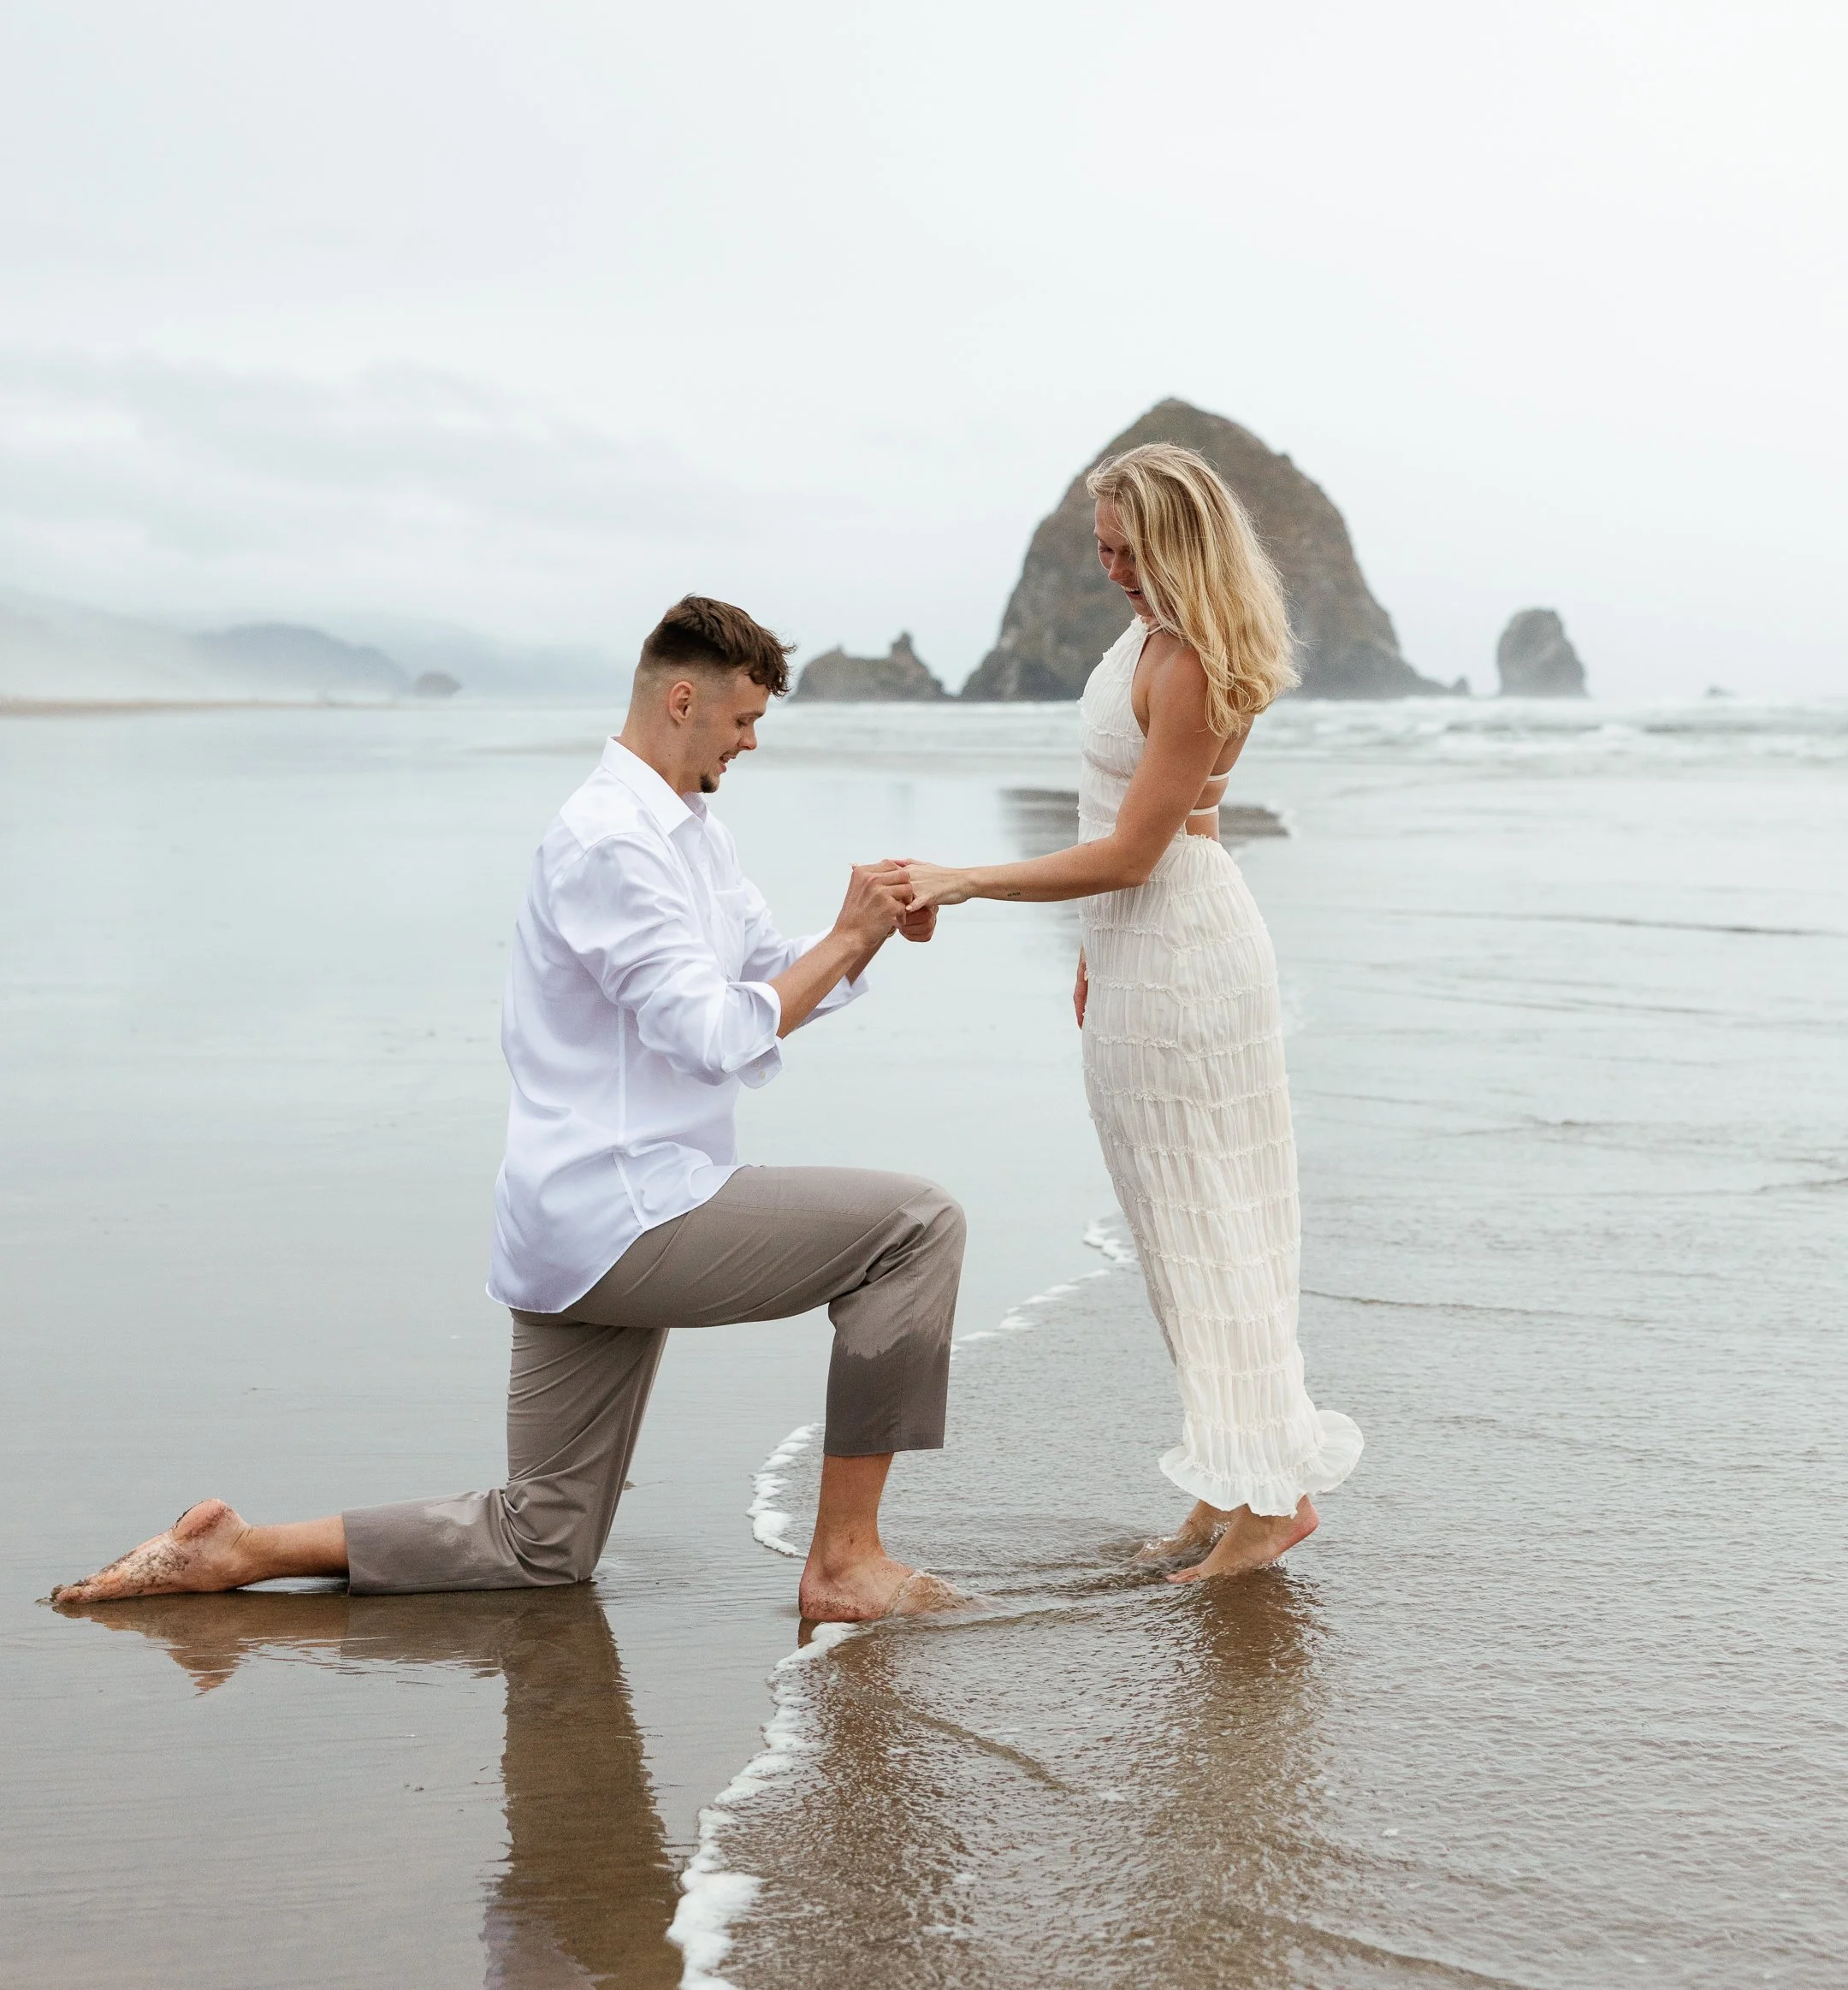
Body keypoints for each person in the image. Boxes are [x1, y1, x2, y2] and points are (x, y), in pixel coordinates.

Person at [54, 595, 967, 1625]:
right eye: (744, 721)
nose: (752, 742)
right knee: (916, 1226)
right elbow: (713, 1033)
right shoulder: (610, 843)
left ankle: (235, 1550)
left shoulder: (690, 835)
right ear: (681, 701)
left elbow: (766, 969)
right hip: (634, 1214)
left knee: (545, 1543)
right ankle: (847, 1562)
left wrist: (870, 931)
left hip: (579, 1224)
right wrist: (845, 941)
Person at [899, 444, 1361, 1580]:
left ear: (1179, 545)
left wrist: (964, 880)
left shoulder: (1195, 662)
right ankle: (1231, 1477)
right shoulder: (1148, 631)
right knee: (1177, 1238)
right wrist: (1091, 952)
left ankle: (1275, 1502)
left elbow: (1133, 849)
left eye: (1127, 548)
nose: (1109, 566)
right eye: (1098, 546)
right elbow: (1116, 834)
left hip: (1188, 955)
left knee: (1218, 1233)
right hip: (1141, 948)